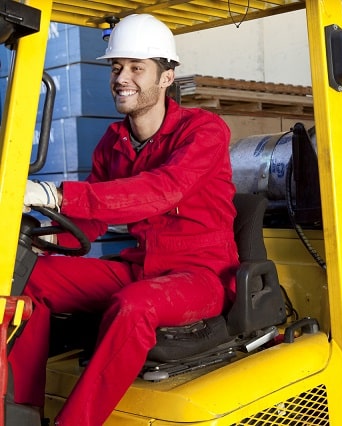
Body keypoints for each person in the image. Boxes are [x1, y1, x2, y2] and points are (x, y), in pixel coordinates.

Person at [12, 14, 238, 425]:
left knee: (134, 307)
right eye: (117, 67)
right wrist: (28, 238)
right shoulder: (112, 144)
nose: (122, 78)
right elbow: (89, 225)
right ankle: (22, 411)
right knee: (27, 277)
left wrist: (55, 193)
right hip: (140, 268)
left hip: (200, 275)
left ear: (166, 77)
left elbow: (162, 190)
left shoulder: (204, 131)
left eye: (136, 68)